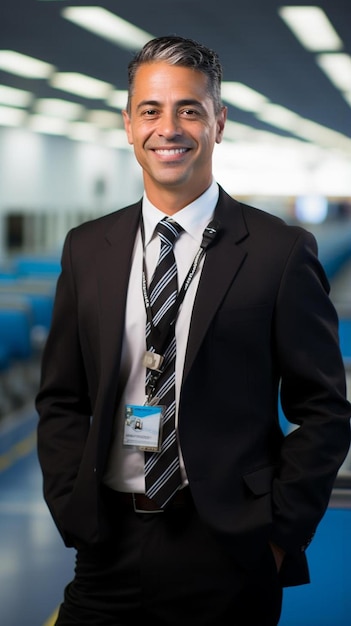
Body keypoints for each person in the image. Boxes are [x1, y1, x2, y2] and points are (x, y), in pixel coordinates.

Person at [36, 35, 351, 626]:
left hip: (229, 546)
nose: (169, 127)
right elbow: (61, 396)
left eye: (190, 109)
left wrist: (278, 535)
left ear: (219, 122)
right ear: (129, 124)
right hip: (106, 544)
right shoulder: (87, 249)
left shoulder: (279, 252)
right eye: (151, 110)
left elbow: (325, 409)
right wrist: (72, 511)